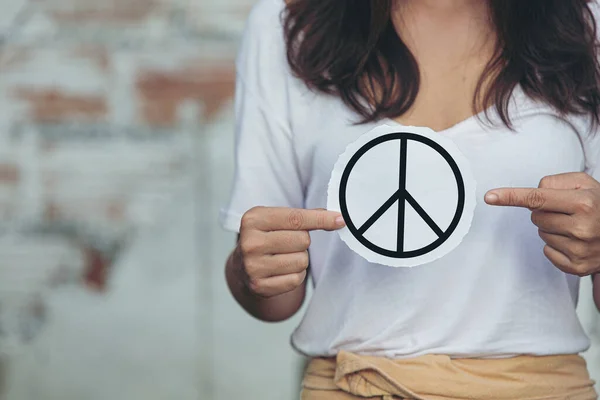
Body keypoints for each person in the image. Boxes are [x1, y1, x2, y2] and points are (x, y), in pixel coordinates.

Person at [220, 0, 600, 398]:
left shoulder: (585, 23)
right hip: (356, 386)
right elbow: (274, 294)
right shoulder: (288, 24)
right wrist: (252, 271)